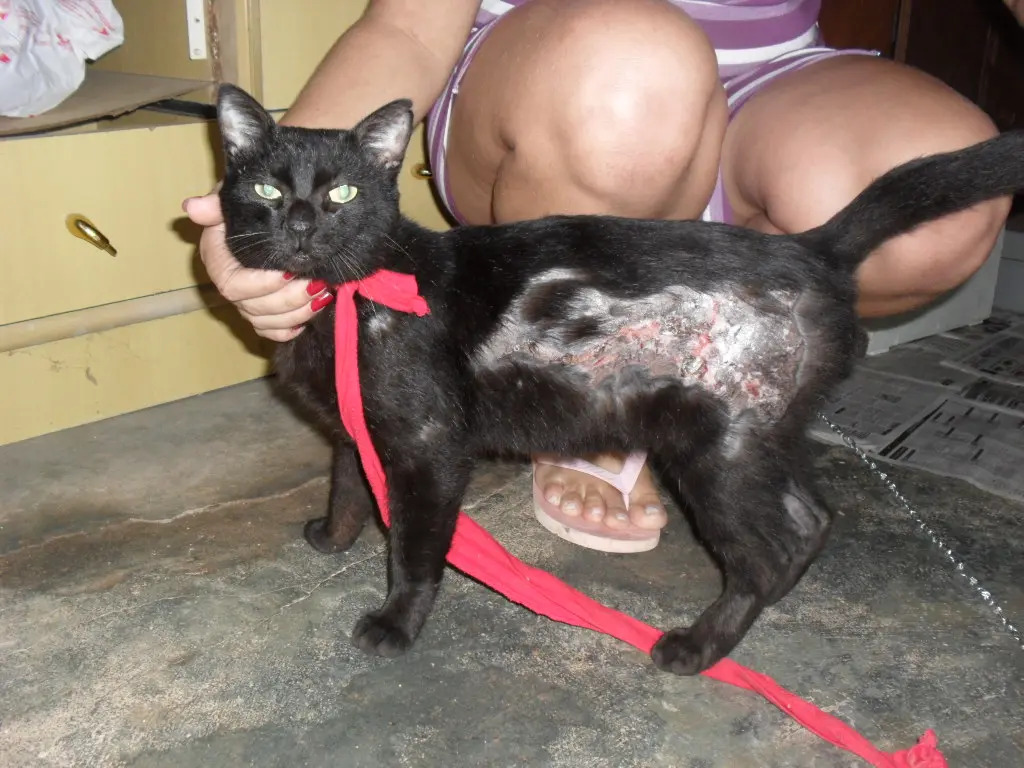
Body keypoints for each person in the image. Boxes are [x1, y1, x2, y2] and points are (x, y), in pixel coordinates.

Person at [184, 0, 1015, 552]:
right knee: (631, 72)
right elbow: (406, 29)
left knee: (941, 217)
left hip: (773, 81)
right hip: (563, 91)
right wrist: (263, 196)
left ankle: (677, 360)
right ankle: (586, 398)